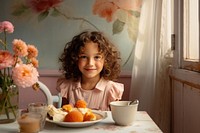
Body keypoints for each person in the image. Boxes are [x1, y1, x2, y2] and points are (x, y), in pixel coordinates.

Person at [56, 30, 124, 111]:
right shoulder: (67, 87)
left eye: (97, 57)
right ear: (75, 59)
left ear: (106, 60)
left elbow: (115, 120)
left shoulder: (111, 90)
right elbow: (63, 116)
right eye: (84, 57)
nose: (90, 63)